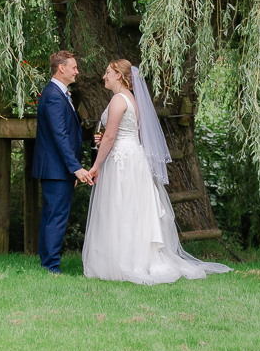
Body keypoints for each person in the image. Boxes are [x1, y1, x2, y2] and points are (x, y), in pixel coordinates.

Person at [82, 59, 231, 284]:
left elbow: (112, 136)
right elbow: (120, 133)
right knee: (134, 209)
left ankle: (123, 261)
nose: (104, 76)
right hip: (134, 158)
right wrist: (102, 139)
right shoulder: (132, 99)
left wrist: (95, 166)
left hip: (122, 160)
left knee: (120, 207)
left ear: (120, 76)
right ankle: (137, 257)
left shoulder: (117, 100)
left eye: (107, 72)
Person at [32, 50, 94, 274]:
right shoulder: (53, 96)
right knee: (56, 217)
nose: (77, 71)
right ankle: (51, 266)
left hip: (59, 169)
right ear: (62, 68)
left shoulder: (59, 94)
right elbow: (60, 136)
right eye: (74, 67)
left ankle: (48, 263)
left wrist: (71, 170)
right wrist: (75, 168)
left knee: (53, 216)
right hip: (56, 169)